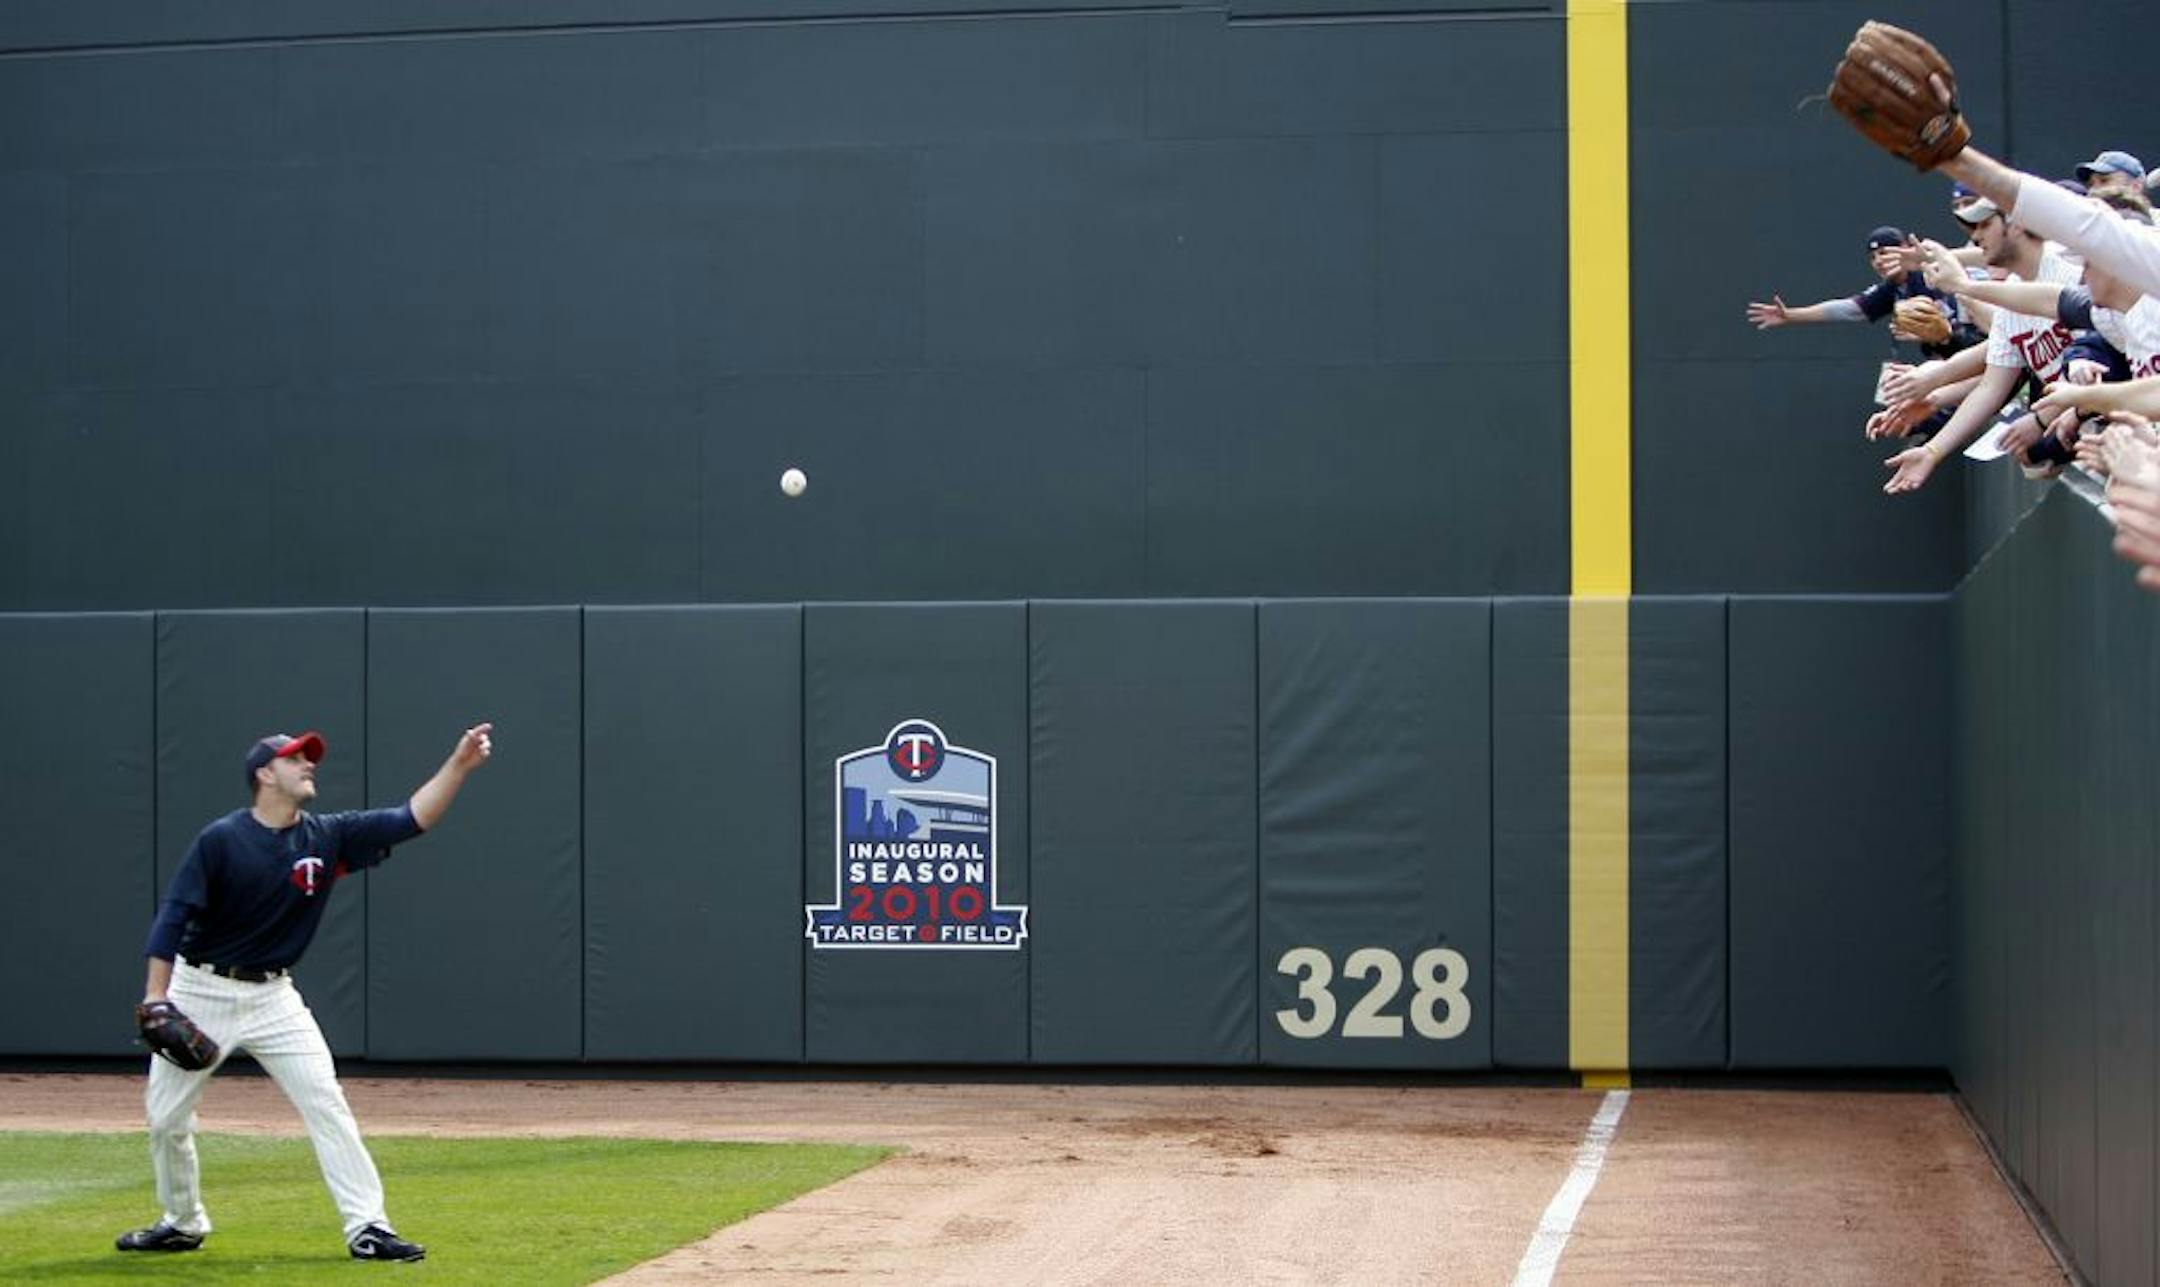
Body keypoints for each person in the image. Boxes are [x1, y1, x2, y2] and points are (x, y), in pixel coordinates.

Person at [116, 723, 495, 1262]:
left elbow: (411, 819)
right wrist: (158, 998)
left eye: (308, 758)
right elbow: (174, 917)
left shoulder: (327, 835)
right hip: (199, 987)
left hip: (274, 997)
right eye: (295, 759)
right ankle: (182, 1221)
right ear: (265, 775)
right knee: (167, 1119)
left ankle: (368, 1226)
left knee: (327, 1104)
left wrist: (458, 765)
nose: (308, 765)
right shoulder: (222, 839)